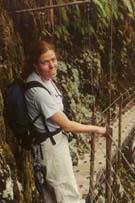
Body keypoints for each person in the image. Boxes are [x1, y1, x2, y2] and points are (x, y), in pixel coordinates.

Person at [24, 39, 106, 203]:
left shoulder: (46, 80)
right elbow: (66, 124)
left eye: (53, 60)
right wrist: (96, 129)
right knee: (68, 195)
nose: (52, 66)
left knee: (54, 196)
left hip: (54, 143)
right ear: (35, 65)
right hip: (51, 148)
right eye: (45, 62)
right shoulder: (38, 91)